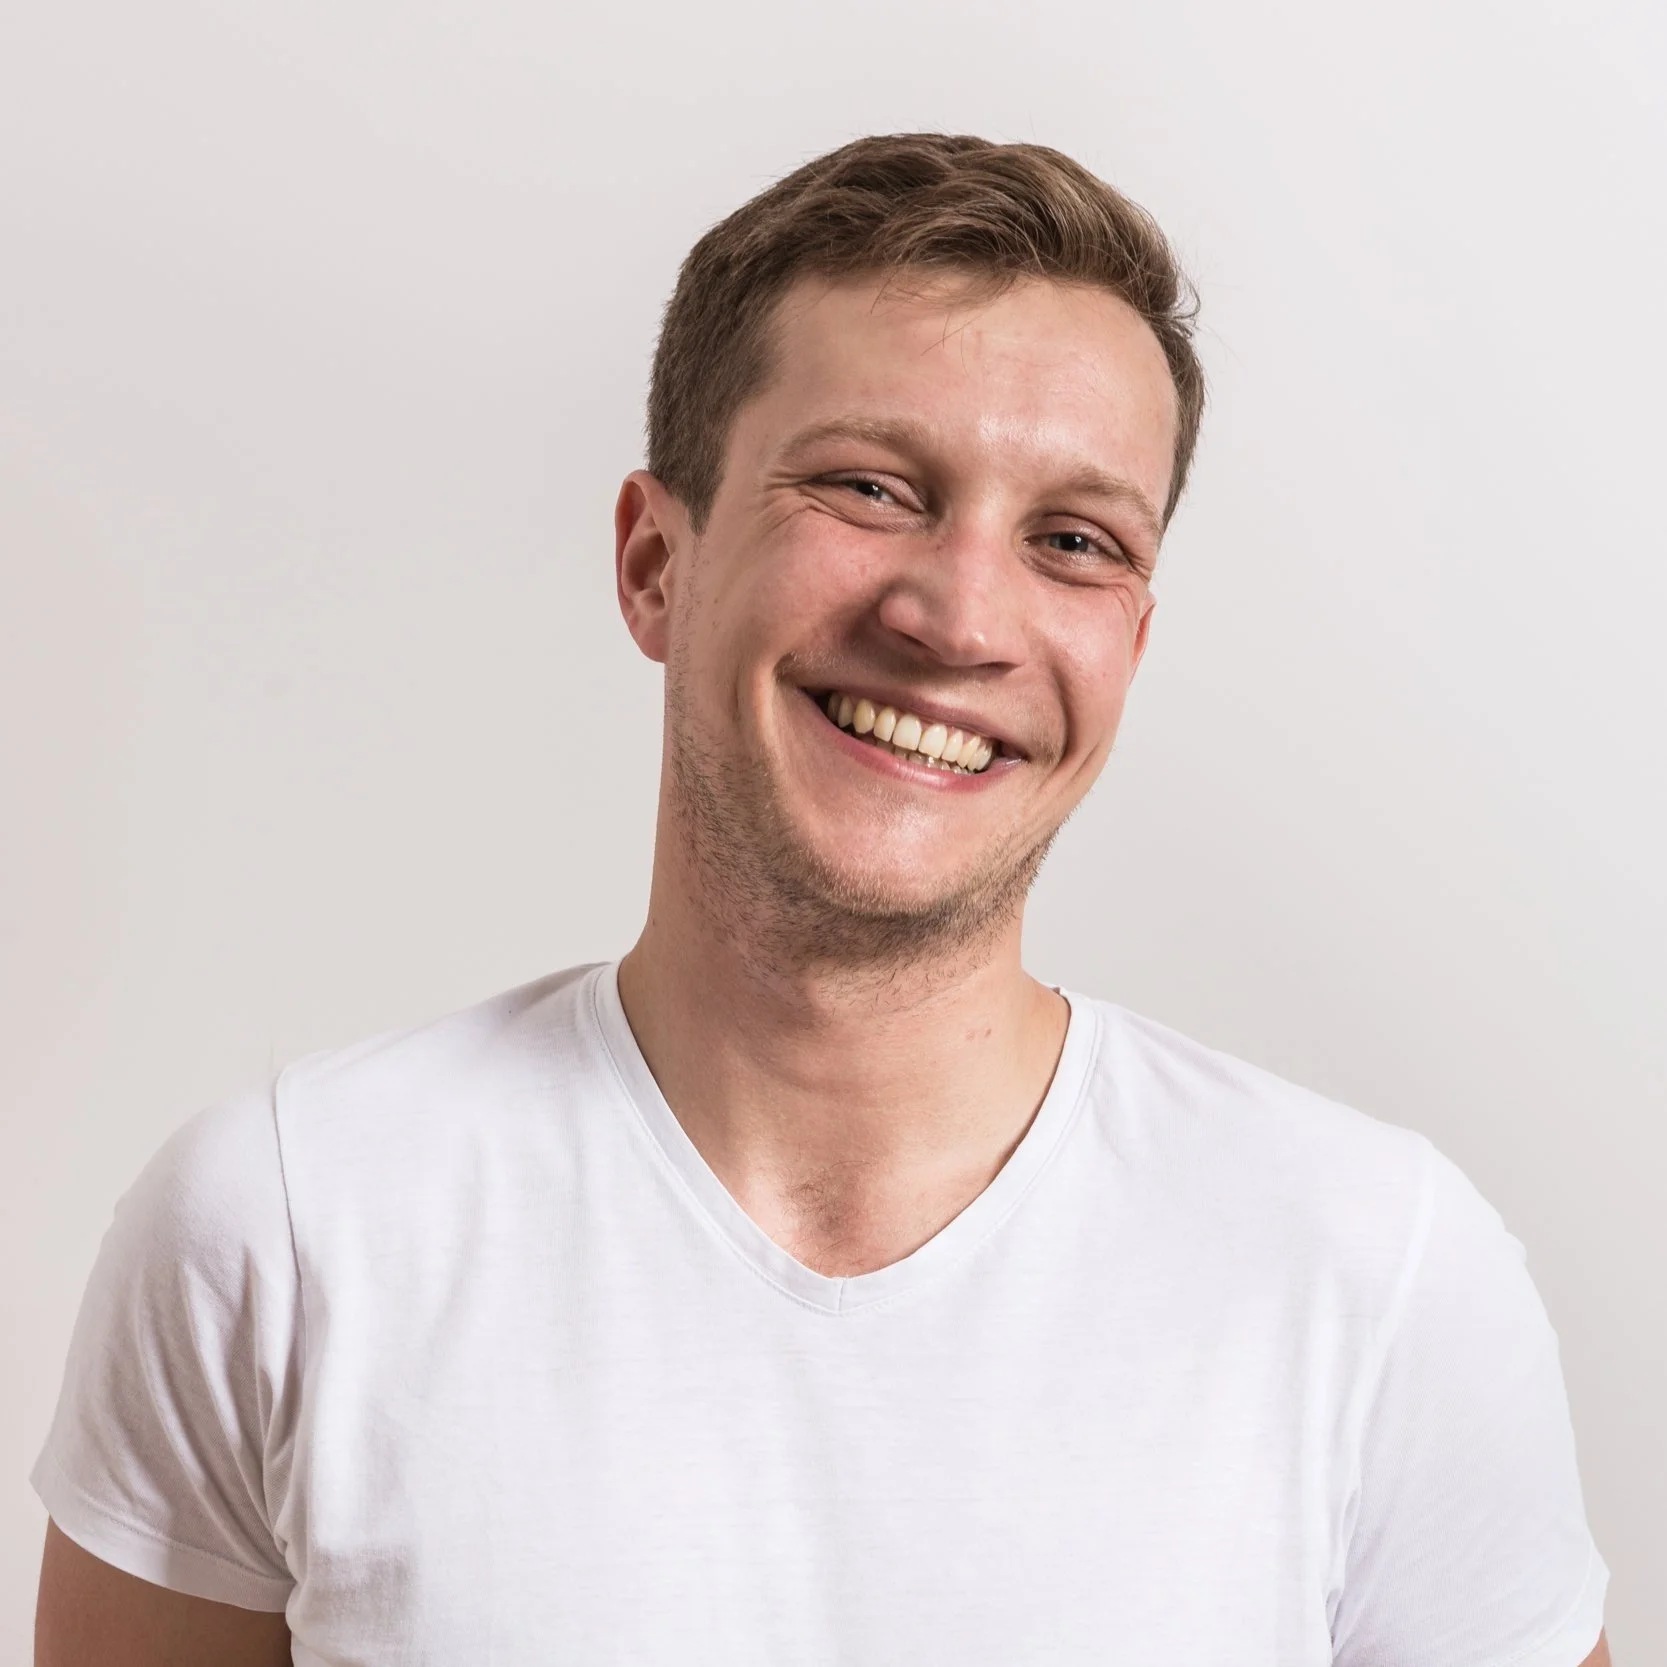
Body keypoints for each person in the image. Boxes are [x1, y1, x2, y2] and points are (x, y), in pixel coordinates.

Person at [33, 134, 1610, 1667]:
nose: (958, 615)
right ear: (657, 563)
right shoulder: (290, 1228)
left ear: (1129, 638)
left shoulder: (1374, 1271)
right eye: (868, 487)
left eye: (1073, 540)